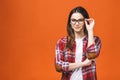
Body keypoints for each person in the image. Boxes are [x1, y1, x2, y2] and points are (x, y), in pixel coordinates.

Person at [55, 6, 101, 80]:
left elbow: (91, 55)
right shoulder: (62, 42)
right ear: (70, 22)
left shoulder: (95, 40)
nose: (76, 24)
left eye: (80, 20)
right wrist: (83, 63)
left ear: (85, 21)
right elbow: (58, 66)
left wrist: (90, 31)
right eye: (73, 20)